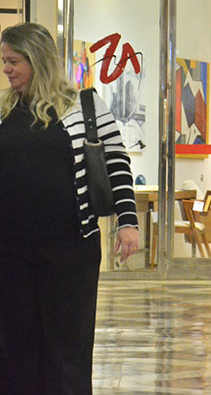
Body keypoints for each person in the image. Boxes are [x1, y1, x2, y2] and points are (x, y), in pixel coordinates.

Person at [0, 22, 140, 393]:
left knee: (68, 348)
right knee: (14, 348)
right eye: (4, 61)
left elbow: (117, 164)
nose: (6, 69)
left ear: (37, 60)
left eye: (13, 61)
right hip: (9, 252)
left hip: (69, 250)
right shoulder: (2, 109)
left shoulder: (85, 106)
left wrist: (128, 222)